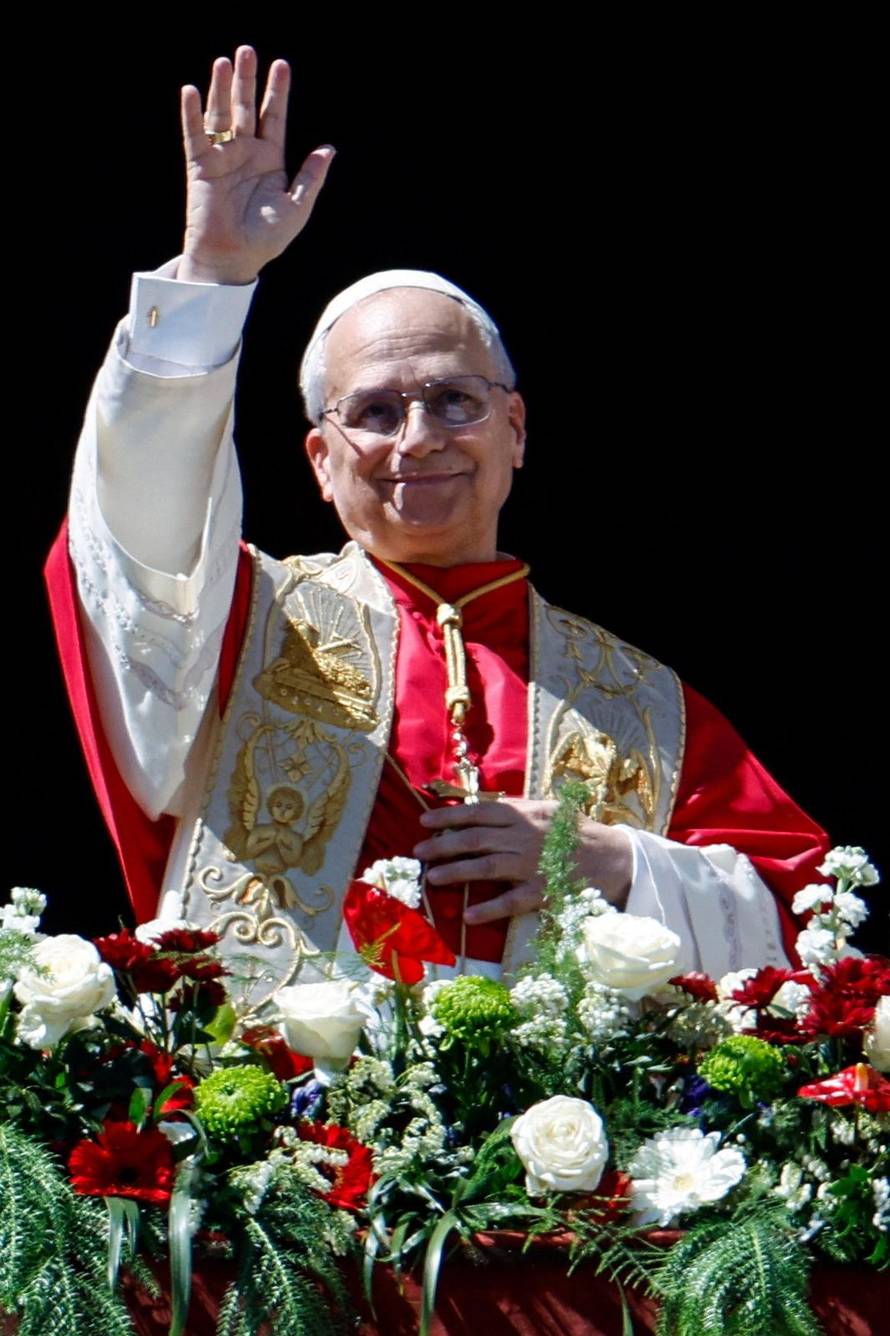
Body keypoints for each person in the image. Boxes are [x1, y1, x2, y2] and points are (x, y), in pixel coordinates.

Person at [47, 47, 829, 996]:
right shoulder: (241, 620)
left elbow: (815, 929)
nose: (417, 440)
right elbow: (135, 540)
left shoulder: (639, 701)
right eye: (375, 411)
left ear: (516, 429)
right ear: (321, 461)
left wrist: (621, 863)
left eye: (455, 400)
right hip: (280, 1085)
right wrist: (211, 279)